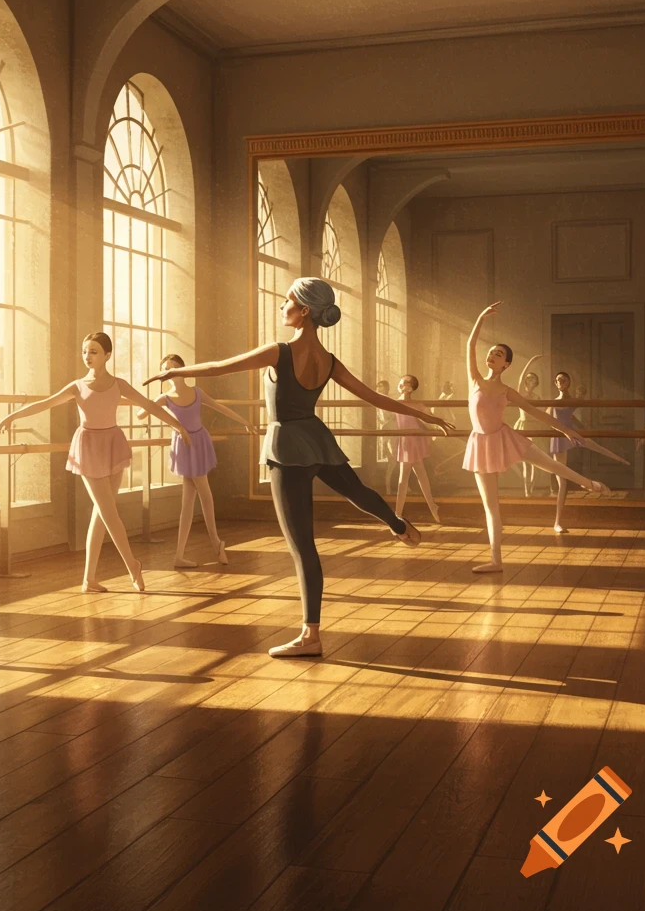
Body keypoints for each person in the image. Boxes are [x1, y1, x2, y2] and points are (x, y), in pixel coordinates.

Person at [145, 277, 454, 659]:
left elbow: (222, 366)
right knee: (357, 492)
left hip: (287, 448)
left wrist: (174, 373)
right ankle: (397, 524)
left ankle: (311, 636)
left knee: (302, 545)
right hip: (317, 440)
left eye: (287, 301)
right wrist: (428, 417)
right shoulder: (328, 361)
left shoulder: (279, 352)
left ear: (304, 310)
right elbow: (375, 398)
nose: (282, 306)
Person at [0, 332, 191, 593]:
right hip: (88, 447)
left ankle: (89, 579)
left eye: (94, 351)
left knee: (102, 513)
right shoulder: (77, 386)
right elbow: (46, 403)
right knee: (108, 512)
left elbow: (148, 405)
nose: (87, 356)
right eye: (85, 351)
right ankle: (132, 564)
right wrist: (12, 416)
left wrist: (178, 426)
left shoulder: (119, 384)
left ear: (107, 355)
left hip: (113, 445)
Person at [463, 303, 608, 572]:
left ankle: (590, 484)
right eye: (492, 351)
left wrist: (565, 429)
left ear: (506, 364)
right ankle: (496, 561)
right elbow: (470, 345)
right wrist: (481, 316)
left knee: (550, 464)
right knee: (491, 507)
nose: (492, 355)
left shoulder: (507, 391)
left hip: (505, 438)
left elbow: (535, 412)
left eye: (499, 354)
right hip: (480, 445)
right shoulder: (475, 380)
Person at [136, 354, 253, 567]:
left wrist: (244, 421)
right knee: (190, 501)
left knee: (200, 495)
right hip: (183, 444)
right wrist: (162, 410)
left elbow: (219, 407)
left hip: (198, 441)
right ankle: (193, 551)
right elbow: (141, 414)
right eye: (164, 369)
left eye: (172, 368)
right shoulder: (165, 397)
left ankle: (207, 546)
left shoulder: (197, 392)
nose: (168, 372)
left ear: (182, 370)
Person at [394, 374, 441, 524]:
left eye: (405, 383)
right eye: (401, 382)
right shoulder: (395, 402)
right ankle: (432, 507)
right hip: (406, 441)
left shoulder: (415, 405)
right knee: (420, 476)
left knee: (405, 479)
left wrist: (436, 422)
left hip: (413, 441)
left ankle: (397, 514)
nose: (401, 385)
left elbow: (428, 416)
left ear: (411, 388)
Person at [548, 370, 583, 532]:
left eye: (563, 379)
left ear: (569, 382)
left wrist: (581, 430)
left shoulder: (573, 400)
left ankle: (559, 521)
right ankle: (557, 522)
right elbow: (550, 420)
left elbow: (572, 416)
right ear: (555, 384)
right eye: (558, 380)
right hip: (560, 439)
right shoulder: (553, 402)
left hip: (572, 439)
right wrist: (564, 431)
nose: (560, 382)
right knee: (562, 480)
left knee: (568, 477)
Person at [513, 354, 544, 498]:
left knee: (535, 461)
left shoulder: (537, 397)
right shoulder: (521, 393)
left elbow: (540, 413)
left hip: (534, 427)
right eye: (529, 378)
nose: (531, 380)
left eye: (533, 378)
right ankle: (527, 491)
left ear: (536, 382)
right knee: (525, 460)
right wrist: (531, 361)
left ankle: (531, 489)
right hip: (523, 426)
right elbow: (520, 378)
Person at [375, 379, 398, 496]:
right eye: (378, 386)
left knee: (394, 459)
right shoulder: (377, 402)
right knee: (391, 460)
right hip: (385, 432)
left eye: (382, 386)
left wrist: (385, 424)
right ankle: (388, 488)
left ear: (387, 388)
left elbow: (394, 416)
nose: (379, 388)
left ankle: (391, 487)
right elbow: (379, 418)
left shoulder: (389, 401)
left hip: (393, 431)